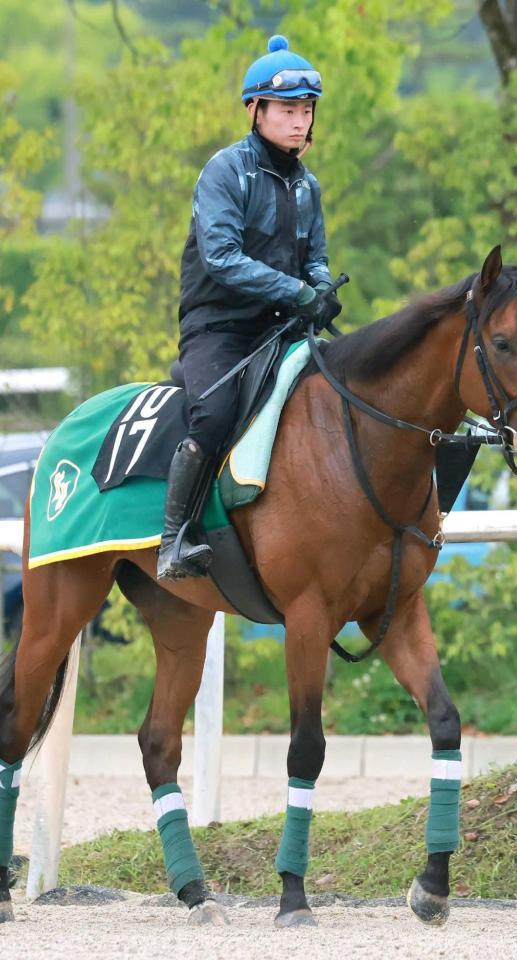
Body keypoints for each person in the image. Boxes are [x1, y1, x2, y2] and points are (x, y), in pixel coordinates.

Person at [157, 34, 342, 582]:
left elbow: (318, 260)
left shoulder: (308, 186)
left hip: (283, 329)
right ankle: (174, 539)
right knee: (213, 414)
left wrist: (322, 290)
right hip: (218, 329)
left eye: (305, 110)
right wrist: (298, 293)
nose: (299, 121)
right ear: (255, 111)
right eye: (287, 109)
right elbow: (221, 258)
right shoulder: (224, 171)